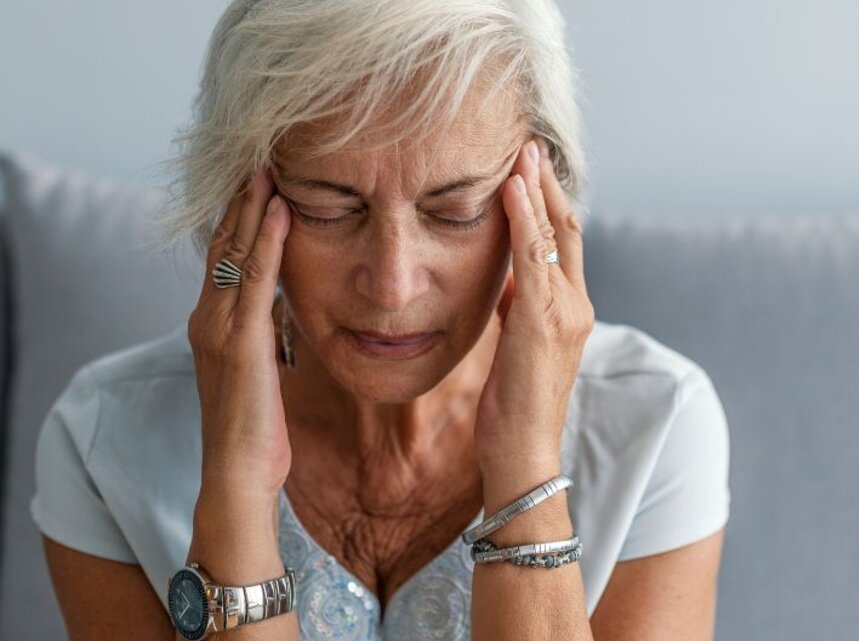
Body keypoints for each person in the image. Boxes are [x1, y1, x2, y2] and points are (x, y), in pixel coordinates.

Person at [31, 1, 731, 639]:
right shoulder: (102, 443)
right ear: (239, 197)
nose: (393, 286)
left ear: (539, 205)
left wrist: (524, 469)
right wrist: (238, 484)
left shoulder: (656, 425)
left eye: (455, 212)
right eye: (329, 209)